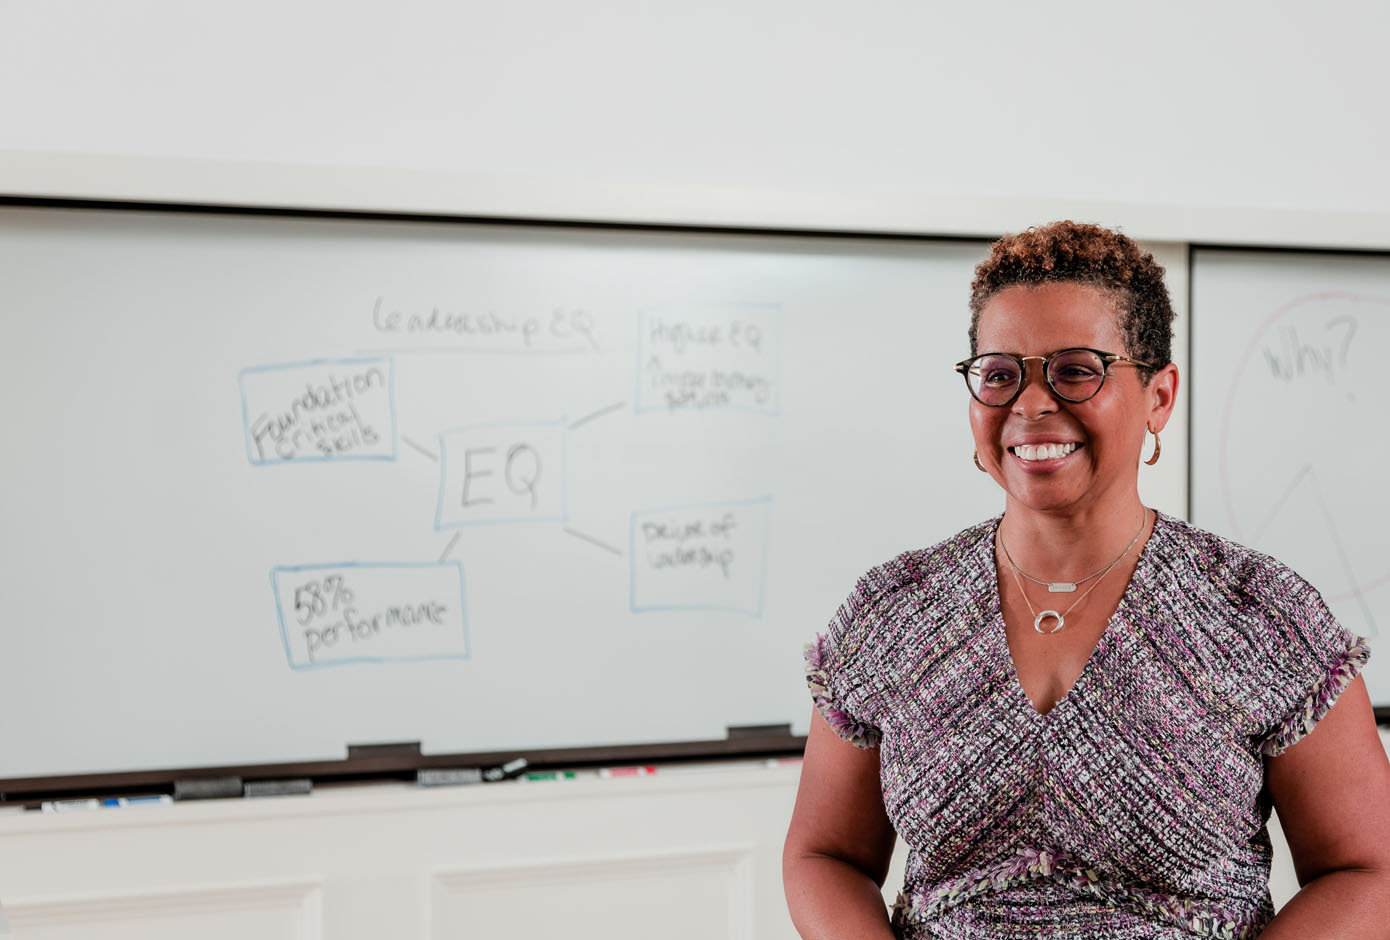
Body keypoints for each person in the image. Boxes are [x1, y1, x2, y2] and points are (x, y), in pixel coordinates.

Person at [782, 221, 1390, 939]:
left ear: (1159, 395)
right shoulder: (896, 609)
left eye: (1075, 370)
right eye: (999, 374)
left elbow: (1366, 872)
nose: (1030, 404)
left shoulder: (1259, 615)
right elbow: (825, 855)